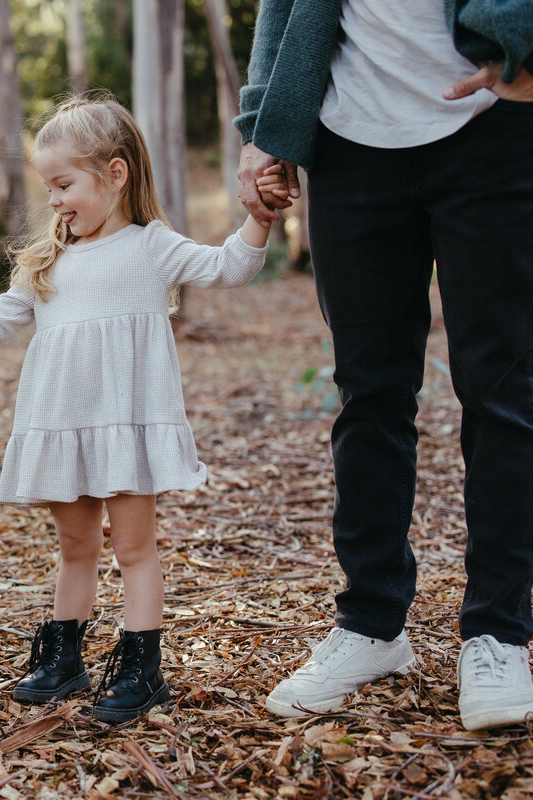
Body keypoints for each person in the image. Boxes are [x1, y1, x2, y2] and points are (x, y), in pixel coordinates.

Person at [0, 96, 276, 722]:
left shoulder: (152, 247)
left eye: (64, 184)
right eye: (48, 188)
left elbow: (229, 267)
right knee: (75, 545)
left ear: (115, 176)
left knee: (136, 548)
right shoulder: (49, 259)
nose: (55, 201)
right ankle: (64, 656)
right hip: (64, 425)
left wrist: (259, 217)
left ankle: (142, 666)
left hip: (124, 427)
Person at [235, 0, 533, 731]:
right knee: (368, 393)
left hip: (493, 125)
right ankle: (372, 623)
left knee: (502, 389)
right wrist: (262, 121)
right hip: (349, 136)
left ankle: (498, 633)